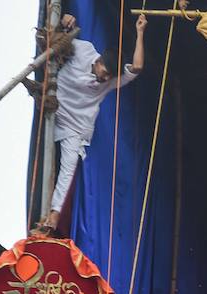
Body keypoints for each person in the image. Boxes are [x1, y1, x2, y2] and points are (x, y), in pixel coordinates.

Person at [41, 11, 146, 231]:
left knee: (67, 169)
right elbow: (56, 42)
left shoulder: (110, 82)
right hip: (52, 104)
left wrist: (140, 32)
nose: (105, 79)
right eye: (105, 72)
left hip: (75, 126)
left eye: (109, 77)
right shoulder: (84, 49)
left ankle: (54, 214)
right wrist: (64, 22)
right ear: (97, 61)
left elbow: (136, 67)